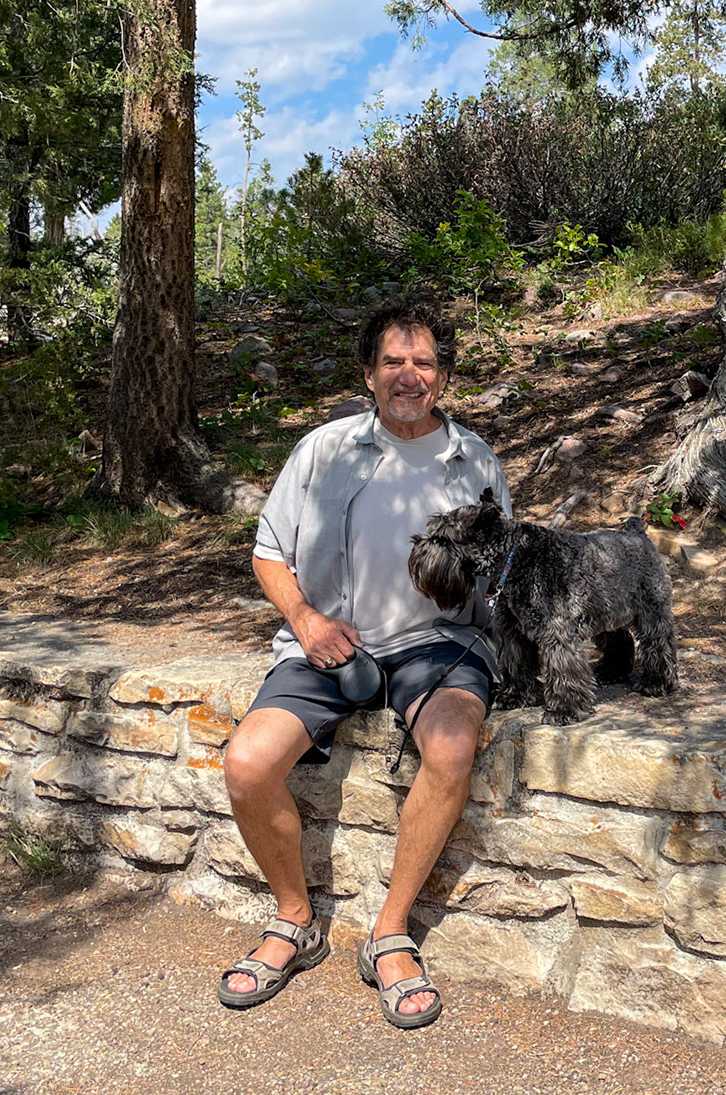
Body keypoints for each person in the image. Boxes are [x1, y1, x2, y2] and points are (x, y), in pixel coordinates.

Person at [216, 298, 509, 1029]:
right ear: (369, 373)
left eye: (425, 362)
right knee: (248, 763)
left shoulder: (473, 459)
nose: (410, 376)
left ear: (443, 374)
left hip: (436, 644)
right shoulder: (322, 449)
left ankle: (390, 933)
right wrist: (306, 620)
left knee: (451, 747)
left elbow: (502, 563)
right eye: (393, 362)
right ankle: (294, 919)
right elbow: (268, 551)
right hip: (327, 642)